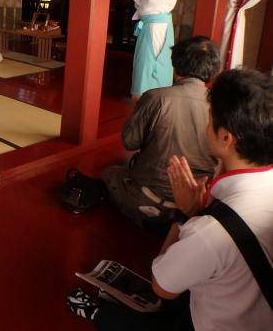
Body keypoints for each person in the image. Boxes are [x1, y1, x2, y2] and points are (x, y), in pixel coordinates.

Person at [68, 69, 273, 331]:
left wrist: (185, 216)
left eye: (210, 121)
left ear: (225, 138)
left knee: (156, 314)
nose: (205, 126)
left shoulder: (209, 231)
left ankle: (100, 314)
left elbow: (161, 287)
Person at [102, 36, 221, 227]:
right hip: (197, 203)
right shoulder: (220, 106)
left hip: (149, 197)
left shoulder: (157, 98)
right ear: (213, 70)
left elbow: (130, 142)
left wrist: (138, 111)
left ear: (175, 65)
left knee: (109, 173)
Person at [131, 0, 179, 98]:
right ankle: (144, 93)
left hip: (156, 26)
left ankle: (147, 94)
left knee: (151, 61)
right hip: (153, 24)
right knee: (145, 60)